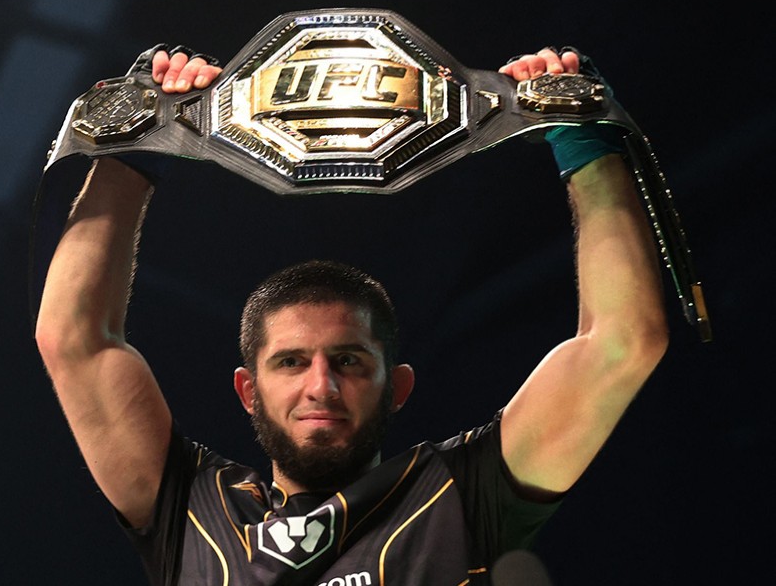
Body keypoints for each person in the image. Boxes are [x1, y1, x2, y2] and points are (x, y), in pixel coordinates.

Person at [34, 45, 668, 585]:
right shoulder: (192, 509)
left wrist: (582, 135)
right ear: (248, 390)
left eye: (349, 360)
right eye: (291, 362)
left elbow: (622, 342)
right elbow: (73, 340)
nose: (322, 385)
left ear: (397, 387)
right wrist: (133, 142)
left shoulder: (457, 494)